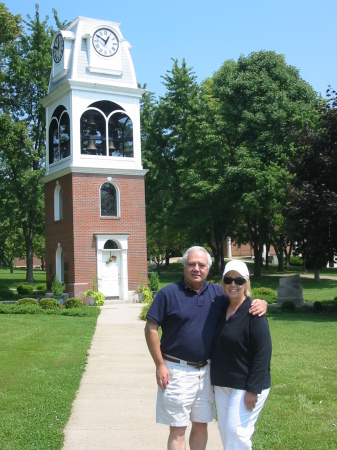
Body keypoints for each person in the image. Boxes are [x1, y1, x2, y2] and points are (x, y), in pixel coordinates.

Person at [145, 246, 267, 450]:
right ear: (184, 266)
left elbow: (241, 297)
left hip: (206, 372)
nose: (196, 268)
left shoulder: (218, 294)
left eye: (201, 265)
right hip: (177, 371)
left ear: (208, 269)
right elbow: (151, 329)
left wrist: (262, 303)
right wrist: (160, 365)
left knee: (202, 424)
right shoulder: (168, 294)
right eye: (191, 264)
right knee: (178, 429)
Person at [211, 260, 272, 449]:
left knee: (237, 433)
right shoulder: (220, 307)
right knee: (226, 432)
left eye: (239, 280)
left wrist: (253, 389)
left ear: (246, 283)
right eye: (229, 279)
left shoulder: (254, 311)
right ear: (223, 283)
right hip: (223, 383)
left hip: (246, 384)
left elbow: (263, 353)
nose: (233, 285)